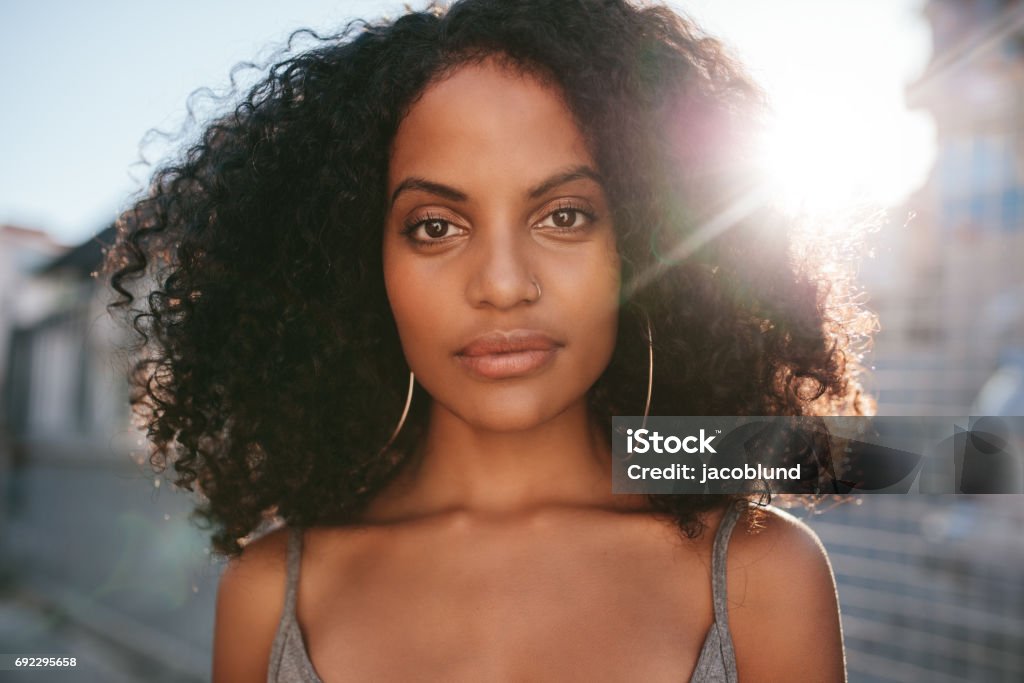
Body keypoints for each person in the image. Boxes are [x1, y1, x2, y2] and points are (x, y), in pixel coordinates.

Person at [105, 0, 871, 680]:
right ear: (357, 264)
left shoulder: (760, 577)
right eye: (436, 227)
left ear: (644, 245)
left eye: (564, 215)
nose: (503, 283)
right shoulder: (269, 598)